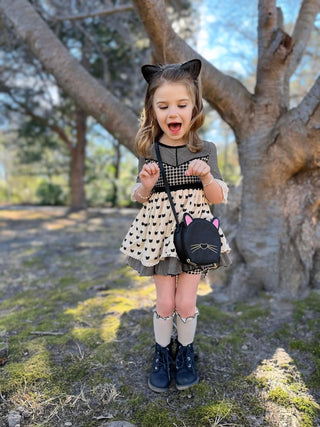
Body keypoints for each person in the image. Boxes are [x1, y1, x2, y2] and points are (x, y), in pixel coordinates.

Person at [120, 59, 231, 392]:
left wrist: (207, 176)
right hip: (158, 237)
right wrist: (146, 184)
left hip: (194, 237)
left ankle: (184, 351)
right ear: (152, 110)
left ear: (193, 106)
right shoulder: (150, 151)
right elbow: (139, 196)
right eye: (163, 105)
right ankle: (160, 351)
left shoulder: (205, 149)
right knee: (165, 303)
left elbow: (218, 197)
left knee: (186, 303)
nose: (173, 112)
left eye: (181, 104)